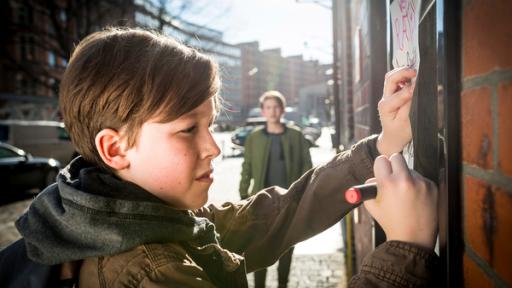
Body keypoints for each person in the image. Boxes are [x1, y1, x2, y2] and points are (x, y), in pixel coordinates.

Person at [0, 27, 438, 287]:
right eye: (188, 129)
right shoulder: (150, 273)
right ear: (115, 149)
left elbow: (278, 214)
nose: (211, 146)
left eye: (208, 125)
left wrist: (382, 144)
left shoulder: (120, 217)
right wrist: (404, 251)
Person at [239, 90, 312, 288]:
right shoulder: (254, 138)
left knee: (286, 248)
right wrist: (244, 195)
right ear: (263, 111)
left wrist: (303, 194)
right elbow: (246, 168)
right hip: (261, 203)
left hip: (289, 202)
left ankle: (282, 285)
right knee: (257, 249)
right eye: (268, 107)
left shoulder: (296, 135)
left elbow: (308, 165)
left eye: (276, 107)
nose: (272, 111)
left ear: (283, 110)